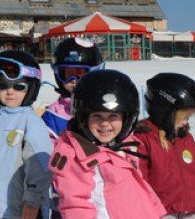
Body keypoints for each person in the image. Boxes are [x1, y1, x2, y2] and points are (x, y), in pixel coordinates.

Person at [49, 70, 166, 218]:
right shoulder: (76, 158)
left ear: (126, 118)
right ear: (84, 117)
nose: (105, 123)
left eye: (113, 116)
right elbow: (75, 204)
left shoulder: (123, 147)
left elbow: (140, 190)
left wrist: (158, 213)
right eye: (97, 116)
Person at [0, 50, 53, 219]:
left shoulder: (30, 122)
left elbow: (41, 167)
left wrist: (32, 201)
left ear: (31, 88)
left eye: (19, 86)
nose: (10, 92)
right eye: (2, 86)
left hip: (18, 212)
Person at [135, 73, 195, 219]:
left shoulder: (186, 138)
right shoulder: (144, 139)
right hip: (161, 213)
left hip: (191, 212)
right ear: (164, 112)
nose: (186, 122)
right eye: (183, 117)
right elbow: (139, 181)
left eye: (188, 117)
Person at [41, 37, 103, 136]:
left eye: (80, 74)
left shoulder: (105, 108)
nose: (74, 80)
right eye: (68, 74)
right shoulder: (54, 114)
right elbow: (47, 144)